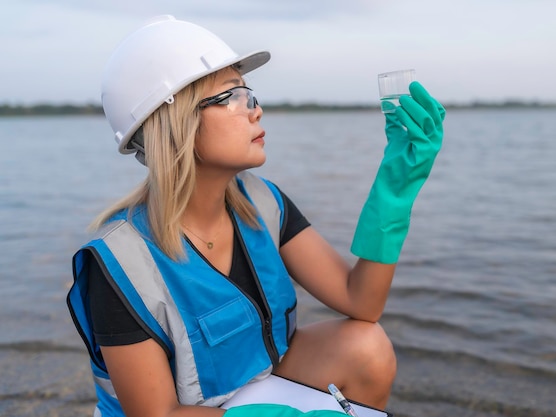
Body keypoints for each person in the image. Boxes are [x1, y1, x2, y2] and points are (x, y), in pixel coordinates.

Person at [67, 15, 445, 417]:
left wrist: (395, 192)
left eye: (251, 94)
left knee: (366, 347)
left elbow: (361, 301)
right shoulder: (118, 263)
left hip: (248, 388)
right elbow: (157, 413)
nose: (256, 110)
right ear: (177, 123)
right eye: (233, 96)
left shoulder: (264, 203)